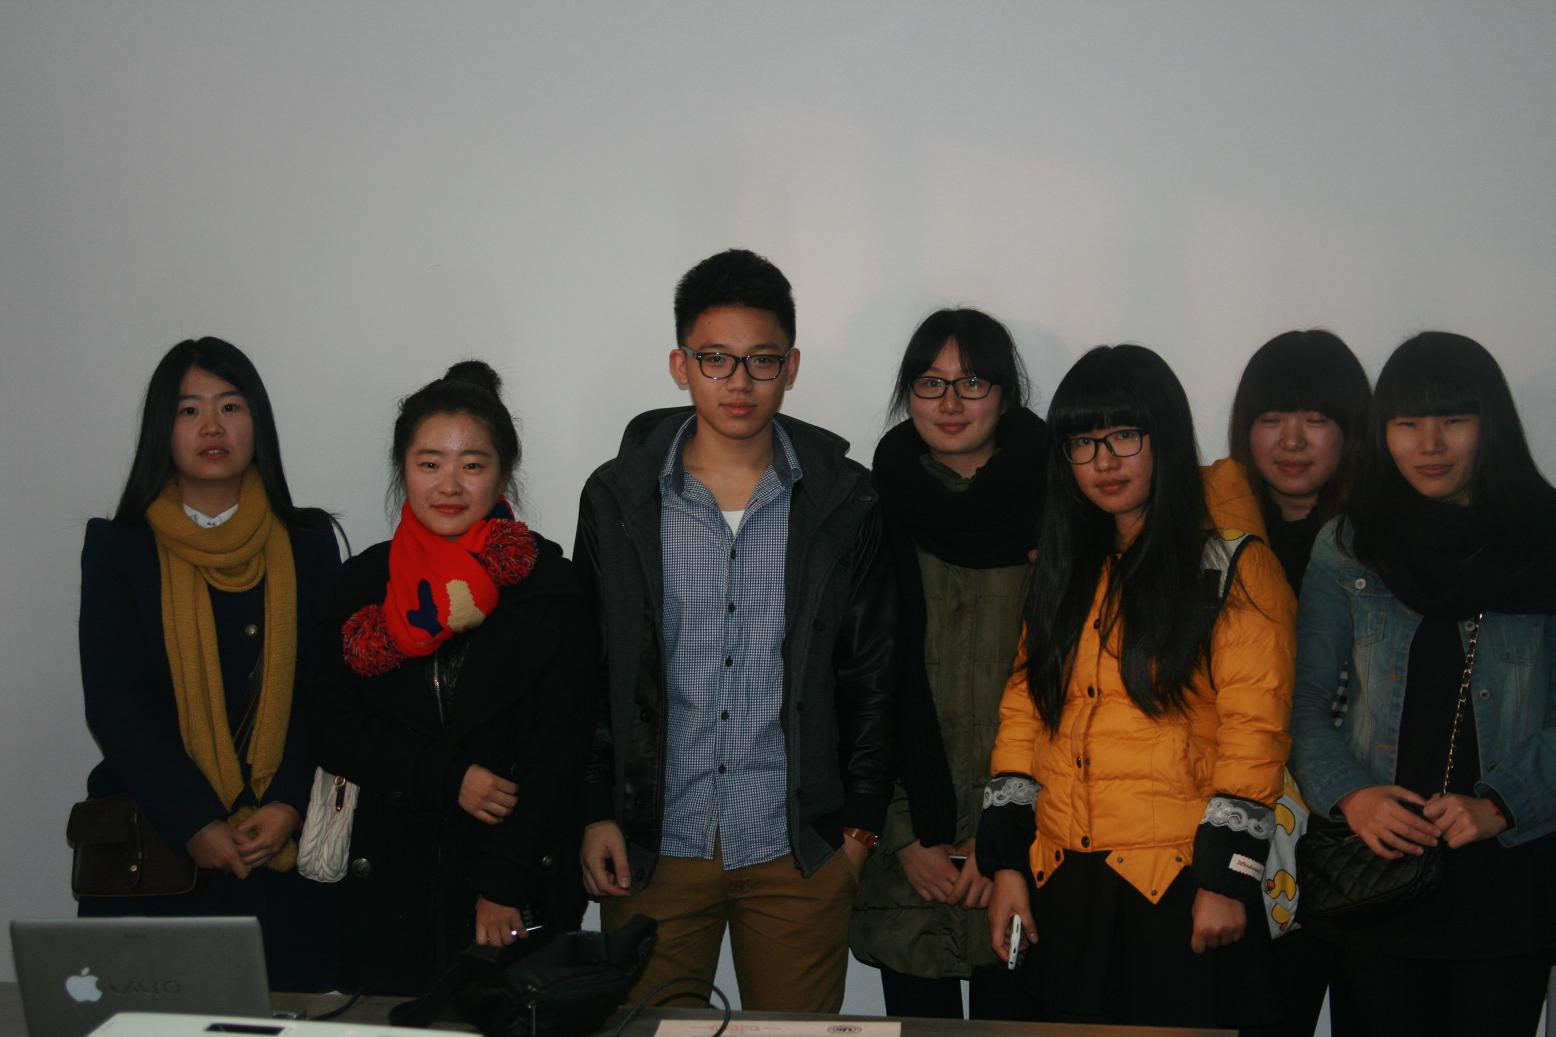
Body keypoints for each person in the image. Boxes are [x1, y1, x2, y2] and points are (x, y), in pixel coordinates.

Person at [574, 248, 894, 1013]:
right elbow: (590, 666)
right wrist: (593, 809)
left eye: (762, 360)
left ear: (791, 367)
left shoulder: (845, 500)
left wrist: (857, 833)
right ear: (680, 365)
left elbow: (874, 671)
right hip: (656, 846)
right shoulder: (619, 497)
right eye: (716, 359)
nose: (739, 382)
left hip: (797, 849)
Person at [979, 344, 1295, 1028]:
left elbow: (1255, 734)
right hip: (1061, 878)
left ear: (1166, 438)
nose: (1104, 461)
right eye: (1083, 442)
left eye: (1125, 435)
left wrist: (1225, 880)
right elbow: (1024, 719)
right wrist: (1006, 864)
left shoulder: (1232, 566)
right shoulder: (1063, 567)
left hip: (1179, 884)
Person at [1288, 332, 1556, 1037]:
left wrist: (1502, 803)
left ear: (1491, 425)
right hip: (1374, 874)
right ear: (1384, 433)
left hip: (1510, 875)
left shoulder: (1545, 537)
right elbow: (1303, 701)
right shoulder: (1350, 543)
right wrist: (1352, 795)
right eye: (1407, 423)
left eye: (1453, 420)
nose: (1429, 444)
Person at [313, 361, 597, 995]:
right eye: (429, 463)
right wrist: (446, 775)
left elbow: (561, 748)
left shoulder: (548, 587)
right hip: (389, 886)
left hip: (514, 882)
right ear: (403, 469)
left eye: (472, 464)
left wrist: (503, 881)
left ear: (502, 473)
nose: (449, 485)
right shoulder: (361, 587)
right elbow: (331, 728)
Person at [78, 336, 342, 991]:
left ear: (258, 422)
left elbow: (327, 690)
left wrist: (288, 802)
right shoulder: (119, 548)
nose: (213, 427)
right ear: (161, 429)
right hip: (160, 853)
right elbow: (114, 703)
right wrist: (194, 819)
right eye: (189, 410)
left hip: (281, 855)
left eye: (230, 406)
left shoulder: (308, 541)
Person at [848, 308, 1046, 1019]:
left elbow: (1077, 695)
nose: (952, 403)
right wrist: (903, 836)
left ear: (1006, 393)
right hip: (908, 854)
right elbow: (850, 682)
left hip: (1026, 845)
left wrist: (1004, 843)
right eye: (931, 383)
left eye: (973, 382)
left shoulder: (1061, 511)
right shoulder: (868, 509)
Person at [1223, 329, 1371, 1037]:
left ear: (1352, 430)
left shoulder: (1381, 543)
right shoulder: (1214, 540)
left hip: (1358, 831)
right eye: (1271, 418)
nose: (1291, 440)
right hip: (1247, 834)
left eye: (1315, 419)